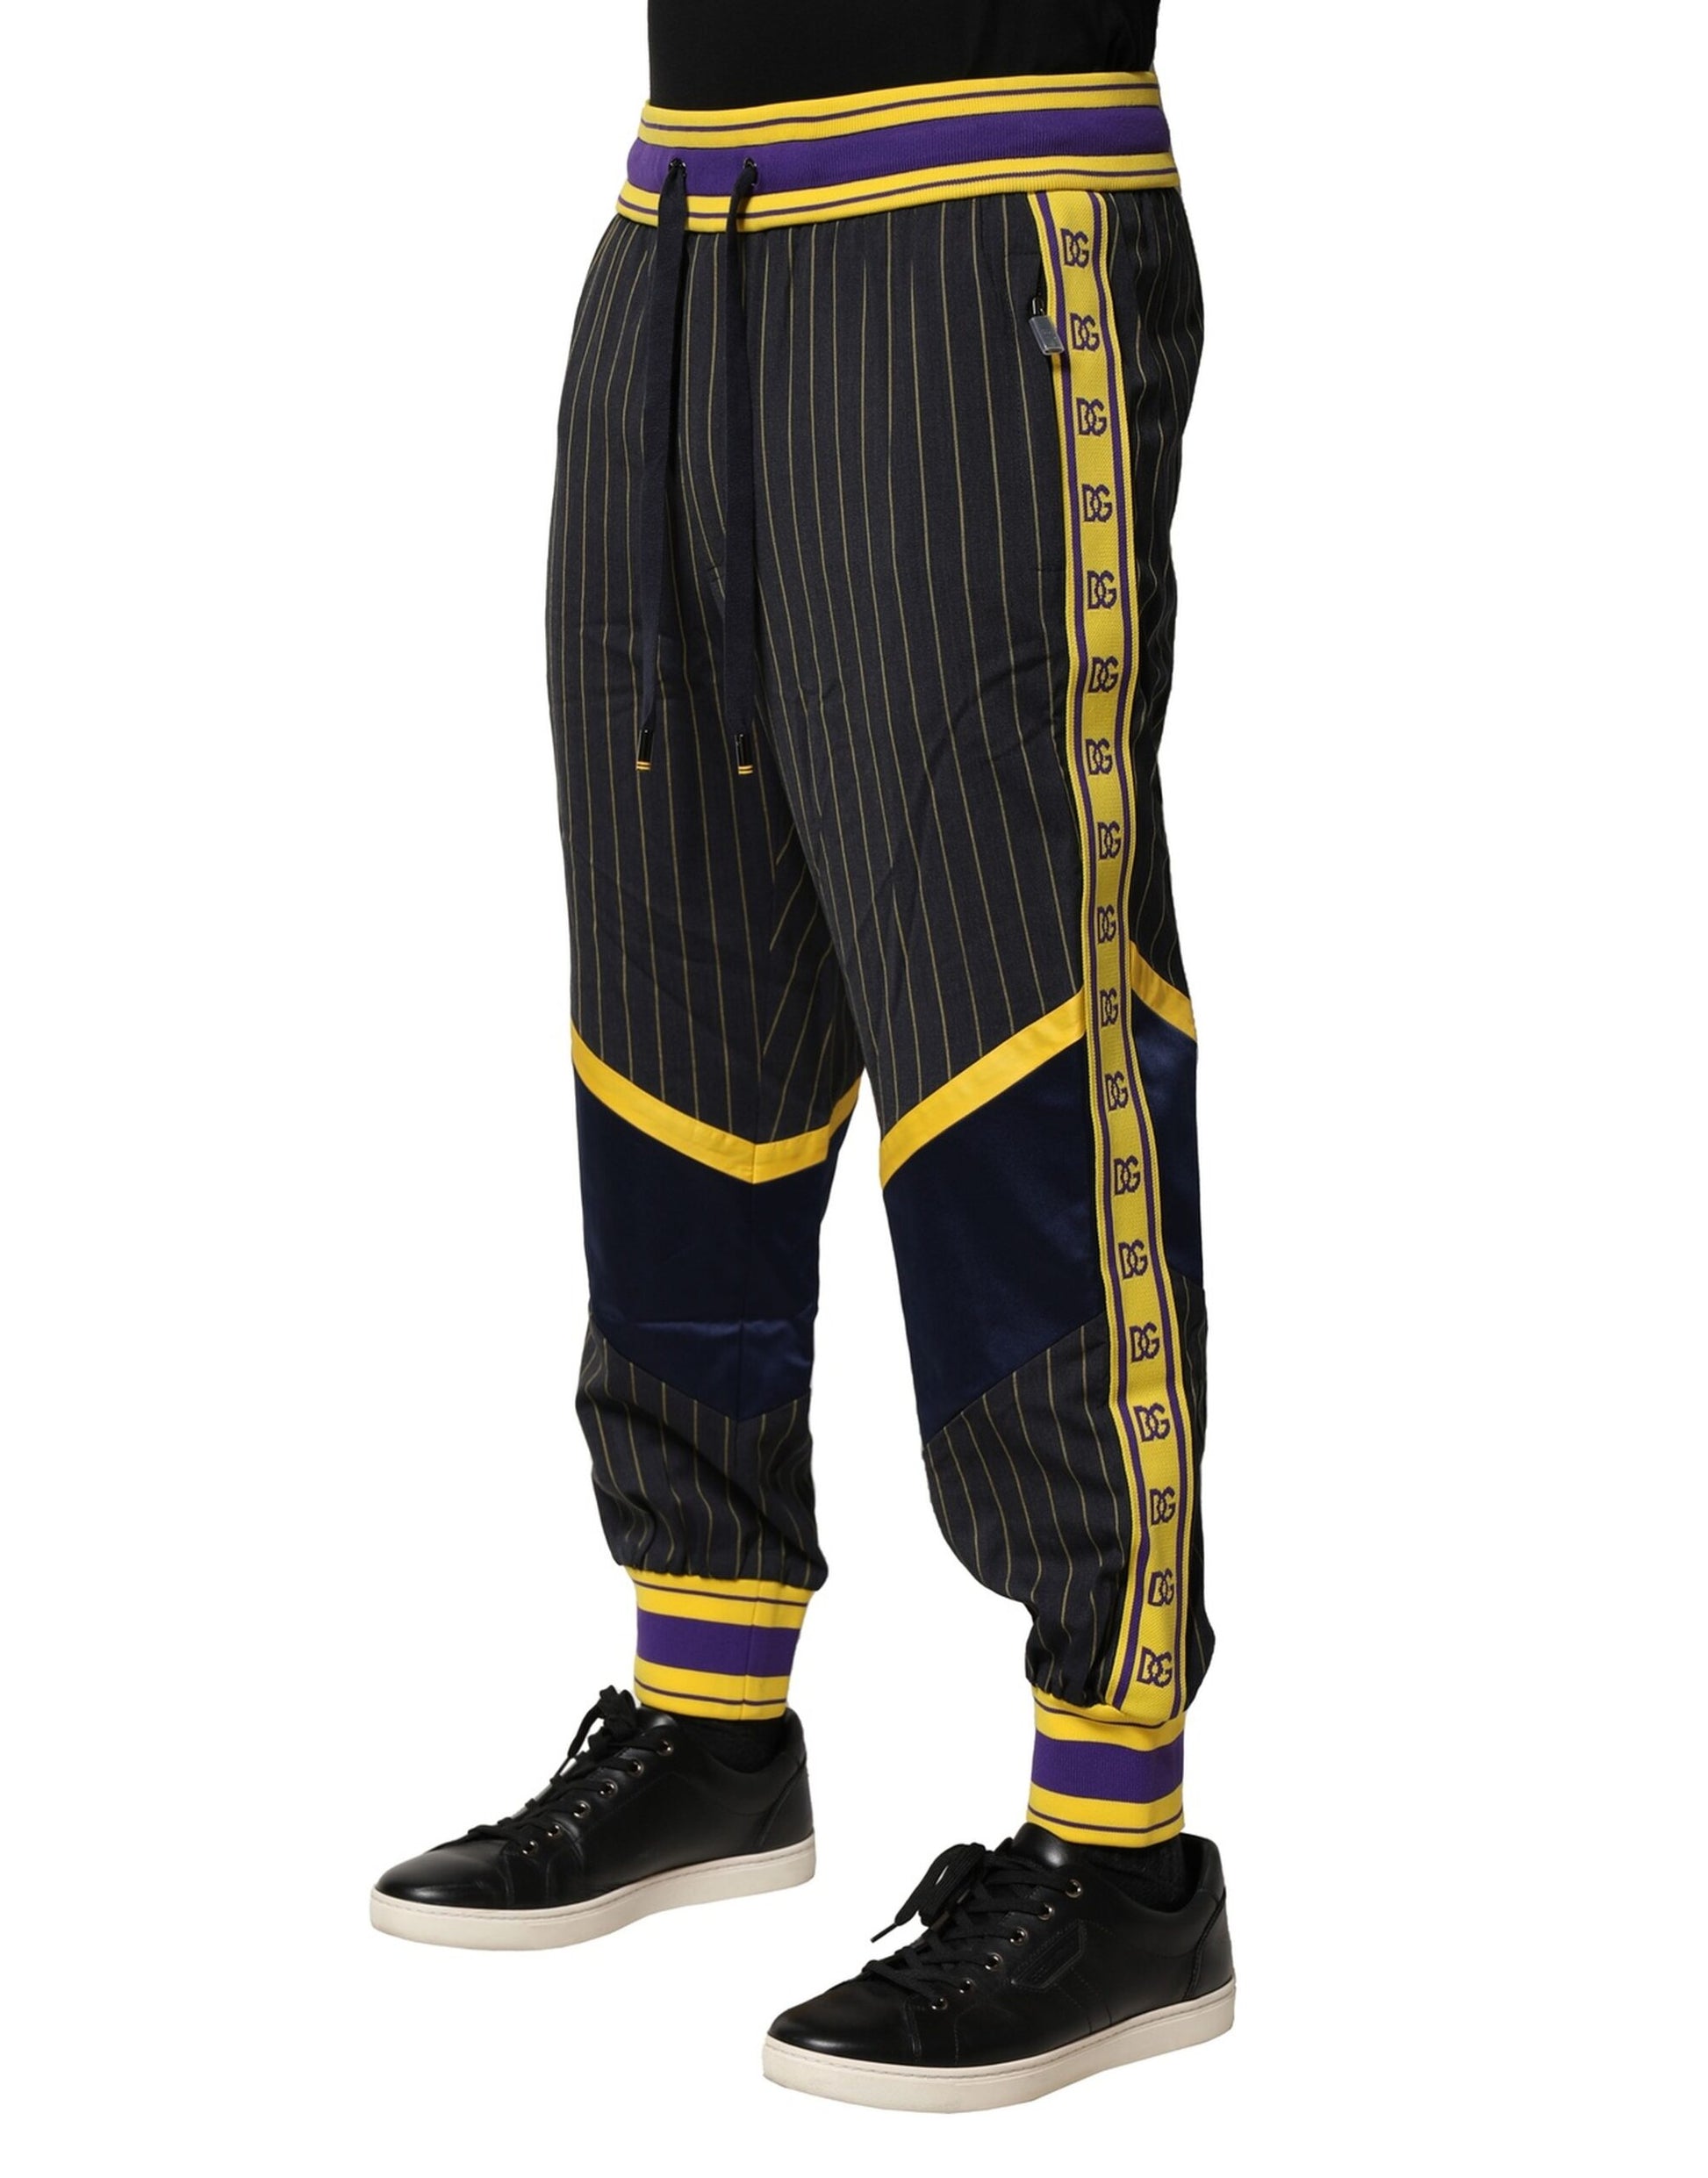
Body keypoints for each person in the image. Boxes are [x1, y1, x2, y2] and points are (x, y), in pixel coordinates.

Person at [370, 0, 1232, 2110]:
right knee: (676, 989)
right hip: (682, 213)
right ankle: (708, 1709)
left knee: (1010, 1006)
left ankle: (1117, 1852)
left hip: (981, 204)